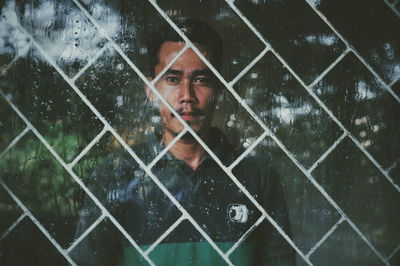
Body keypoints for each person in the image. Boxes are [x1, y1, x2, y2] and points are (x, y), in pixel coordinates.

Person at [71, 18, 295, 266]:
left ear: (218, 89)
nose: (186, 96)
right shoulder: (117, 173)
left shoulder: (257, 175)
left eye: (200, 80)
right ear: (151, 89)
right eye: (173, 79)